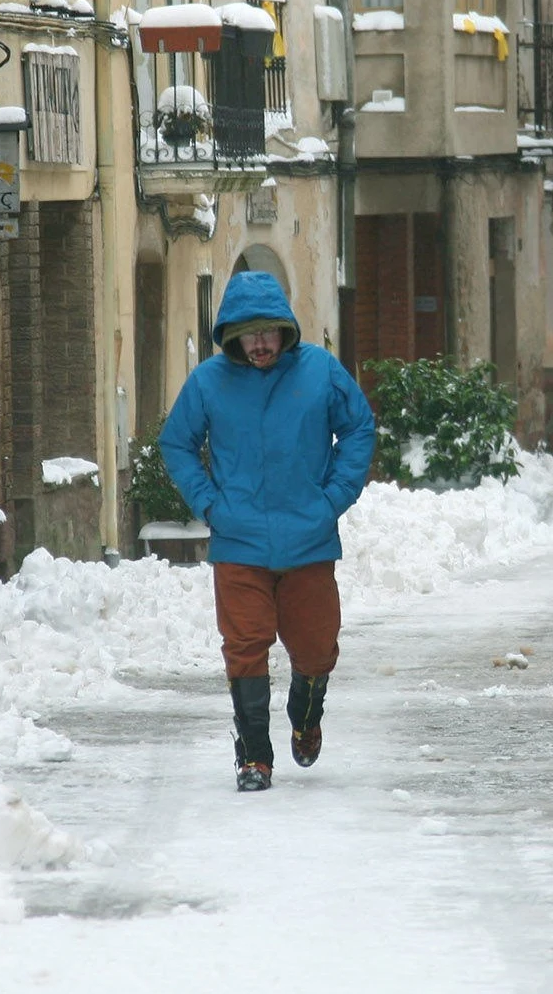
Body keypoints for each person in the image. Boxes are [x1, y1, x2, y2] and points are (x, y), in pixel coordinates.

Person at [160, 271, 376, 792]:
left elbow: (359, 428)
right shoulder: (208, 382)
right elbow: (177, 443)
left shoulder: (320, 371)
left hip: (308, 539)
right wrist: (210, 504)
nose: (259, 343)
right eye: (248, 332)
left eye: (268, 331)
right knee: (245, 644)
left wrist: (331, 500)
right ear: (231, 335)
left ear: (286, 331)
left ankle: (306, 713)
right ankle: (254, 756)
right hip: (239, 541)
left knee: (317, 647)